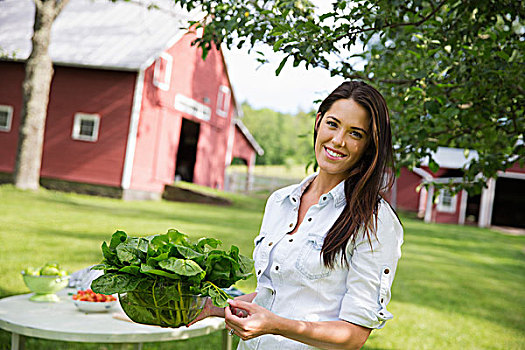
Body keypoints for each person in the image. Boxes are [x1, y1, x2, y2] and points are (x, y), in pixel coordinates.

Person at [189, 81, 404, 350]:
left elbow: (354, 335)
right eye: (333, 124)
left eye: (356, 134)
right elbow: (277, 293)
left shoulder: (374, 222)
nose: (338, 140)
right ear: (318, 122)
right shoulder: (280, 202)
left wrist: (275, 324)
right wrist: (210, 307)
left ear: (369, 145)